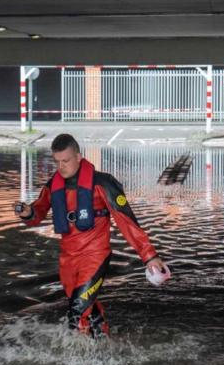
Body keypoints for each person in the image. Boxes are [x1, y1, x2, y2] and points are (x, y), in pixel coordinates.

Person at [14, 134, 166, 338]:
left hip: (95, 256)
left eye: (66, 160)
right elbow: (37, 213)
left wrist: (149, 256)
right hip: (68, 259)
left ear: (78, 156)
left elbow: (127, 222)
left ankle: (79, 362)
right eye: (57, 161)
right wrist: (27, 213)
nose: (61, 167)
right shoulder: (53, 185)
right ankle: (103, 345)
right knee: (87, 307)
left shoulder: (102, 183)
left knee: (76, 310)